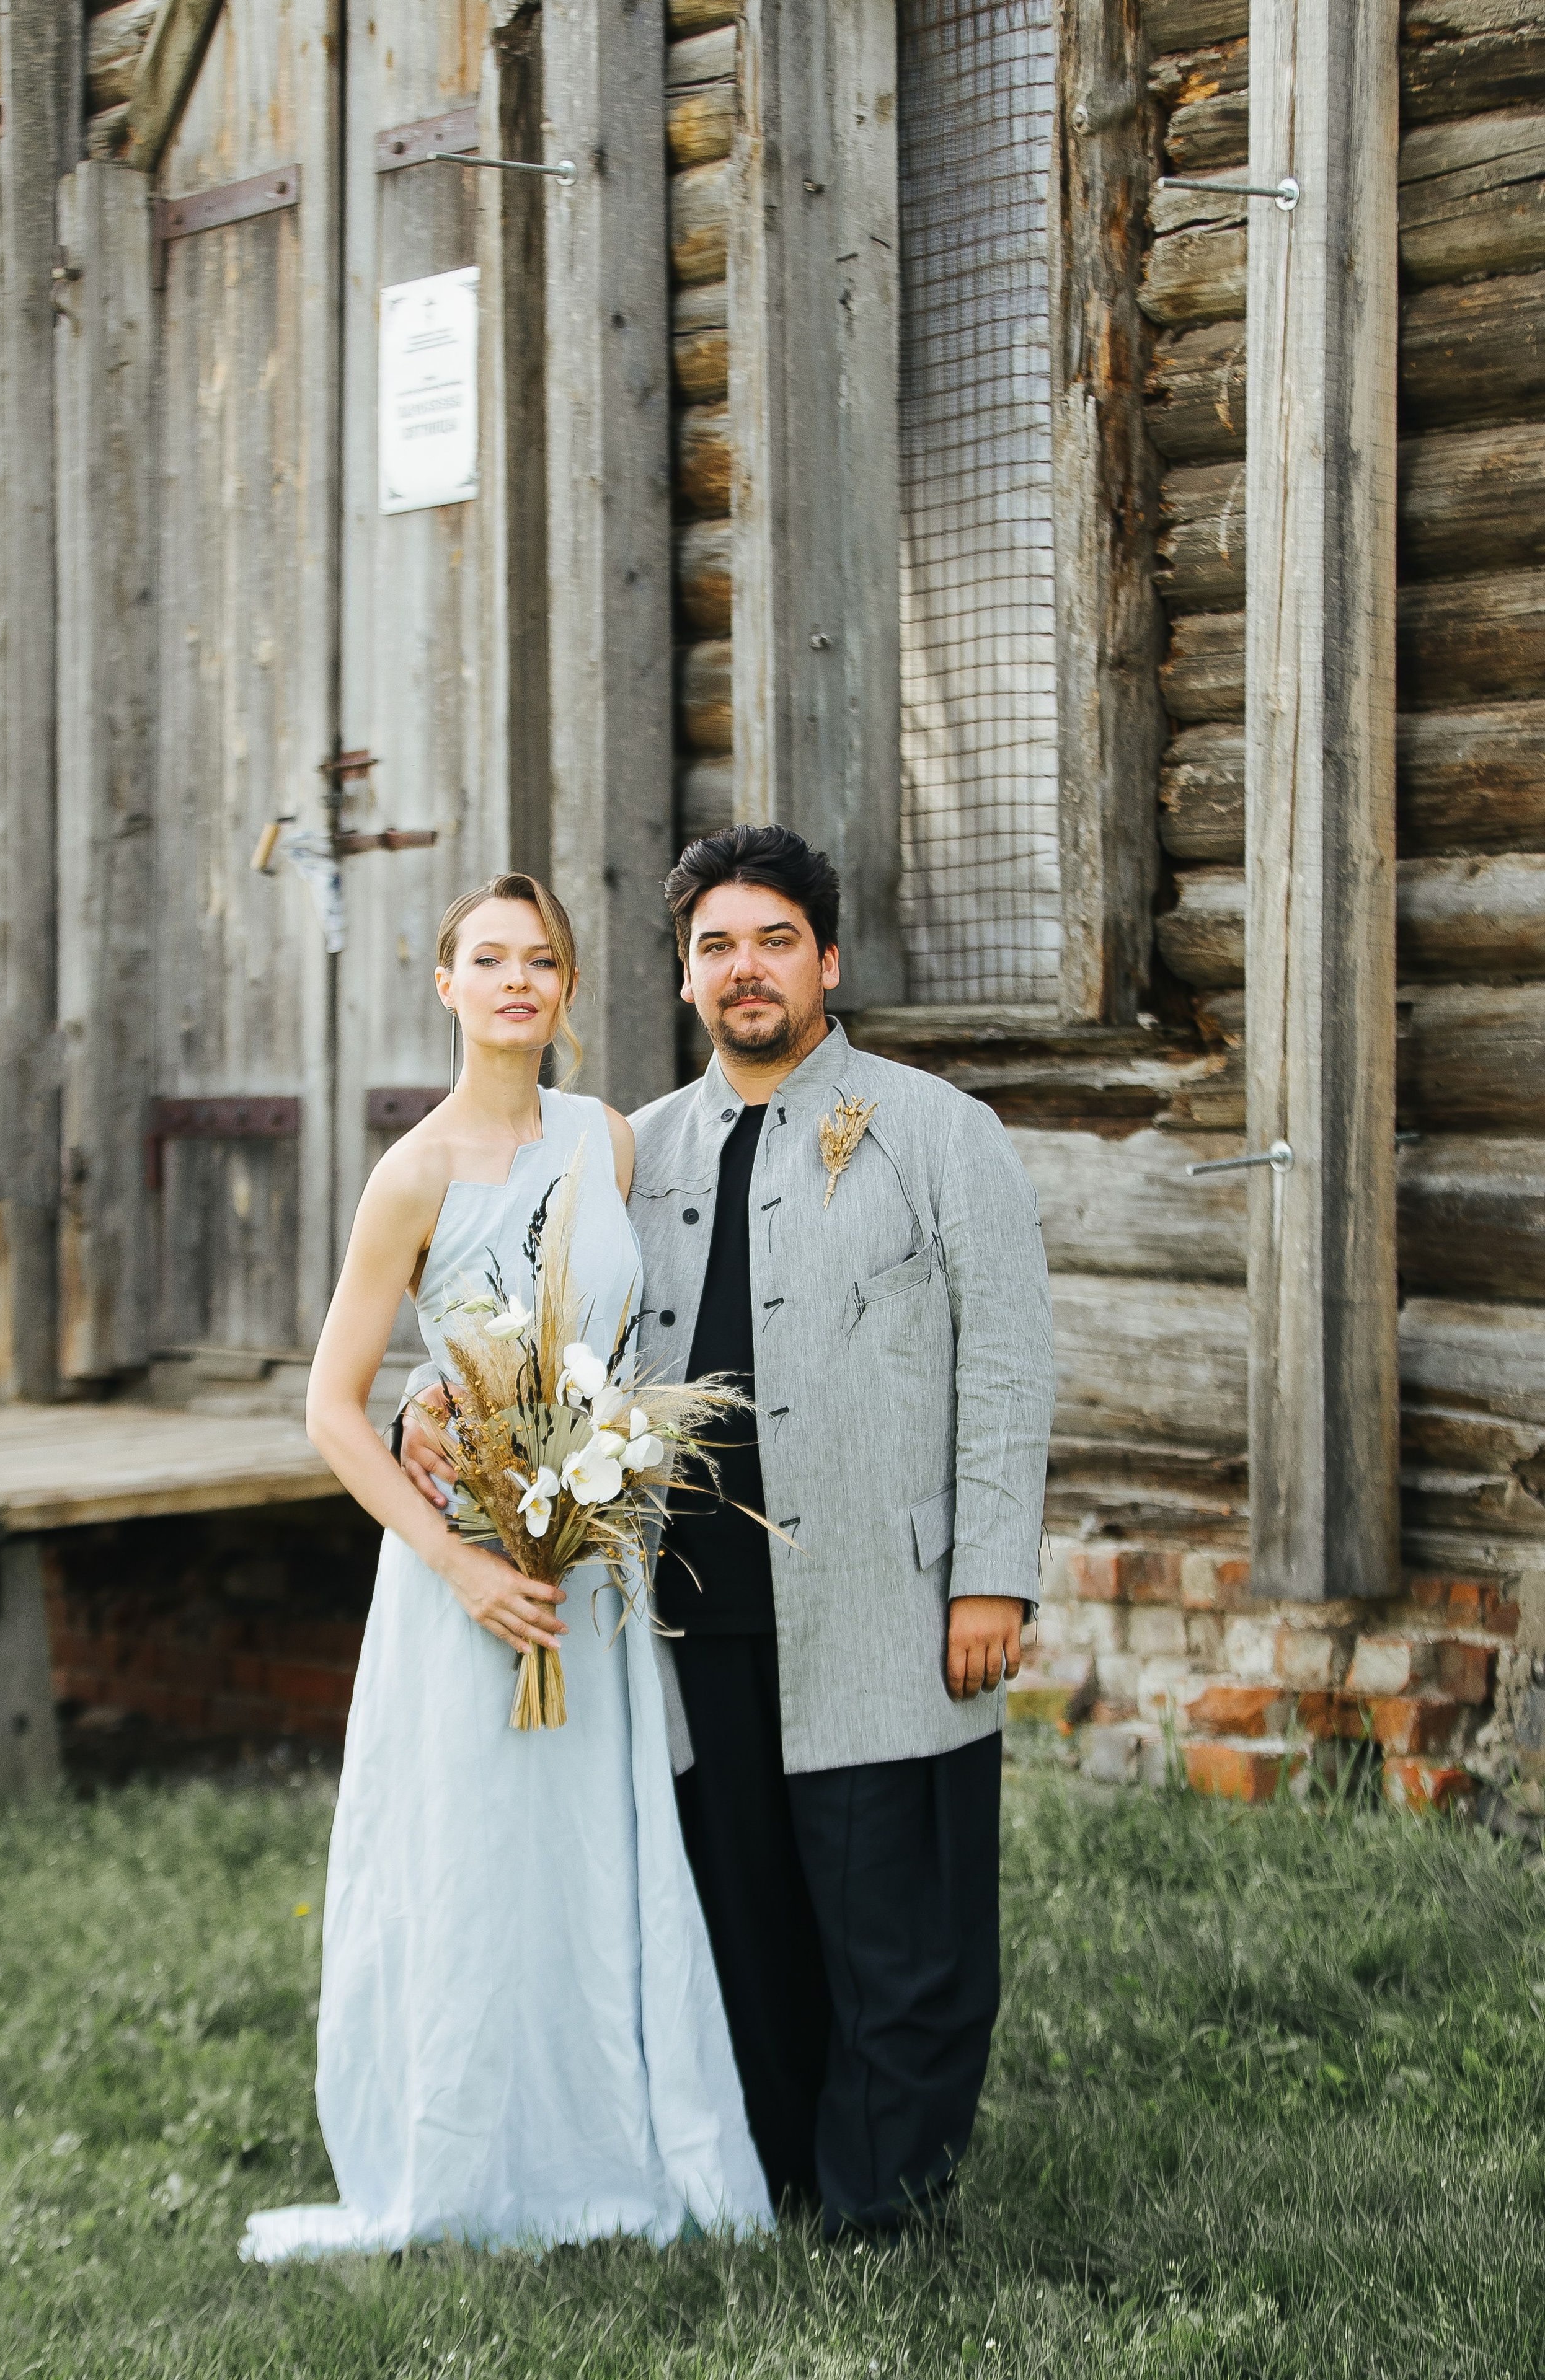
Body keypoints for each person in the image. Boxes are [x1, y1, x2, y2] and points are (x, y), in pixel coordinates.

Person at [403, 826, 1055, 2240]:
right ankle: (779, 2176)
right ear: (685, 977)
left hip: (888, 1599)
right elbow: (527, 1305)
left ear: (825, 961)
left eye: (773, 942)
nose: (744, 969)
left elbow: (1005, 1363)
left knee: (899, 1926)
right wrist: (425, 1397)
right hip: (690, 1610)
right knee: (741, 1914)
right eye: (715, 946)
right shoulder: (632, 1146)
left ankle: (888, 2203)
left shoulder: (938, 1131)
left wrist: (991, 1576)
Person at [241, 874, 771, 2262]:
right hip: (464, 1574)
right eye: (489, 959)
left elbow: (628, 1337)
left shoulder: (605, 1141)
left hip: (588, 1564)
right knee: (475, 1856)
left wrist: (604, 1478)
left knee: (592, 1851)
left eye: (541, 960)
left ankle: (616, 2129)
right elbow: (332, 1408)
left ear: (567, 988)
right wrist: (460, 1563)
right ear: (445, 985)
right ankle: (468, 2156)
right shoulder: (410, 1173)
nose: (517, 981)